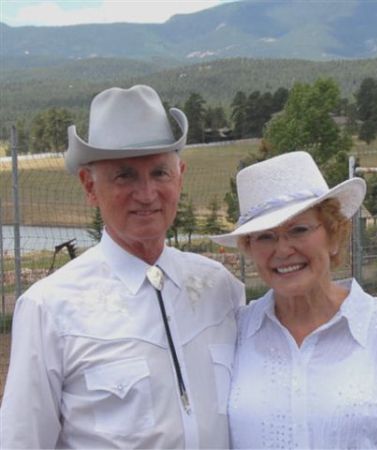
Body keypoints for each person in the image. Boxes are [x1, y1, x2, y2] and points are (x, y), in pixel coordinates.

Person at [1, 85, 245, 449]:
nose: (146, 194)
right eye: (124, 176)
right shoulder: (50, 309)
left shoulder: (220, 288)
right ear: (89, 186)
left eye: (160, 173)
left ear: (181, 175)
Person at [211, 151, 377, 449]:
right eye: (265, 237)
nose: (282, 249)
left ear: (333, 235)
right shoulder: (235, 332)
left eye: (299, 230)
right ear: (250, 249)